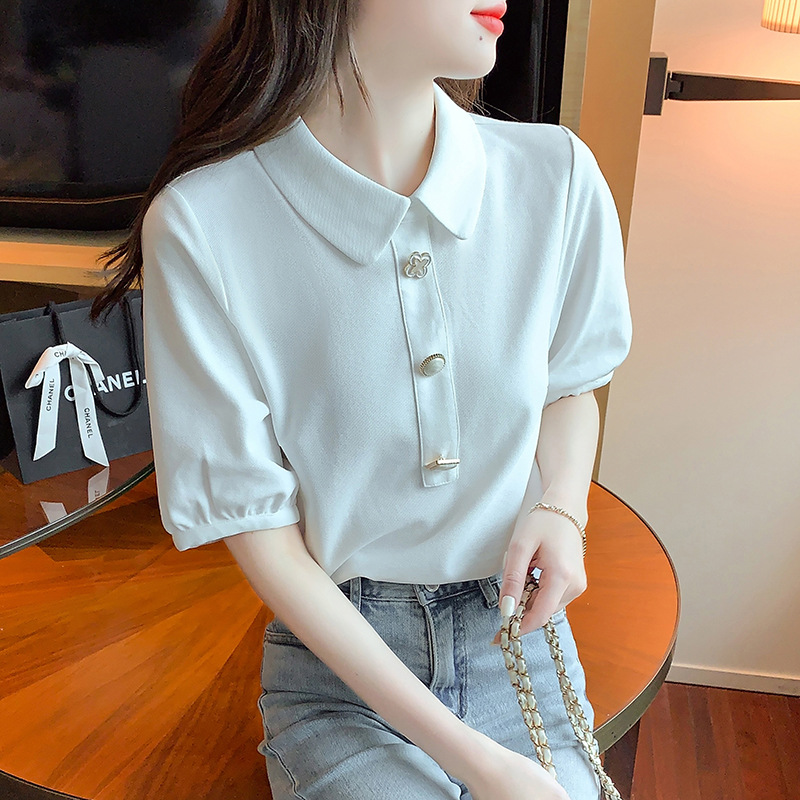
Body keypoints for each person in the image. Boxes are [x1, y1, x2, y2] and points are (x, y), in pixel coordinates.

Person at [90, 2, 633, 798]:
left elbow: (569, 382)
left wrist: (561, 507)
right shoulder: (204, 224)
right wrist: (481, 765)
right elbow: (260, 532)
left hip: (516, 642)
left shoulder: (556, 176)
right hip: (341, 672)